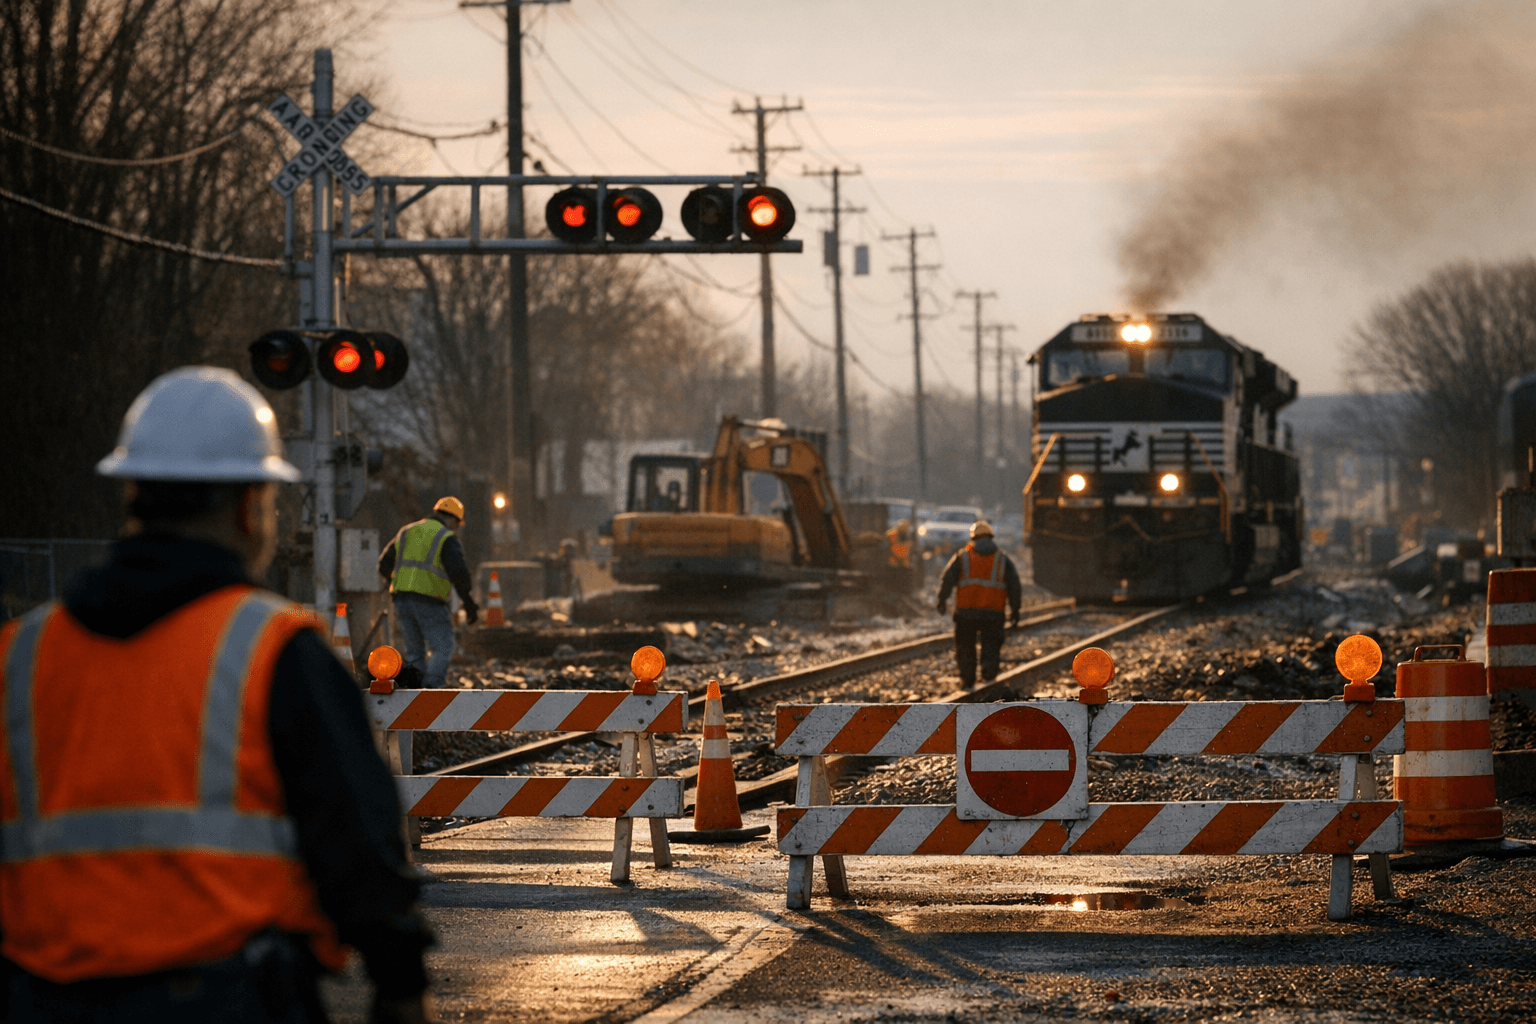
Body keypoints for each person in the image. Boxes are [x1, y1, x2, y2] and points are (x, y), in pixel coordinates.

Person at [0, 367, 433, 1023]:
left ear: (133, 493)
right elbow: (358, 838)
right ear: (246, 506)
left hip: (40, 1000)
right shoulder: (275, 652)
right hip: (226, 998)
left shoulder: (21, 655)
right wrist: (400, 982)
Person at [377, 498, 478, 689]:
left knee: (414, 651)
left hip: (401, 600)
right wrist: (469, 602)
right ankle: (430, 691)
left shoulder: (406, 531)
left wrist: (396, 581)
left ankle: (414, 692)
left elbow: (384, 564)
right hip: (429, 600)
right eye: (457, 524)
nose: (456, 529)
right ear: (453, 520)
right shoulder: (445, 537)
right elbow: (459, 573)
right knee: (443, 646)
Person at [935, 520, 1023, 687]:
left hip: (965, 612)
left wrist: (942, 599)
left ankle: (967, 679)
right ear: (991, 537)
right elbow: (1014, 586)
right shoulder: (1002, 559)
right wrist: (1015, 610)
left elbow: (948, 579)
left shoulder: (963, 557)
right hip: (993, 612)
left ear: (973, 538)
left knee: (965, 646)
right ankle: (989, 676)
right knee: (991, 645)